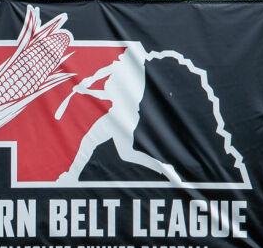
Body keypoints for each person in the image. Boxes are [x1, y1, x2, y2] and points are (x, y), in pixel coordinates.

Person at [58, 43, 183, 184]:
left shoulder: (135, 77)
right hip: (115, 114)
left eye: (124, 55)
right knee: (126, 153)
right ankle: (164, 168)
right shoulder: (118, 68)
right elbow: (102, 74)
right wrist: (87, 82)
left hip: (125, 117)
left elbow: (111, 96)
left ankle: (71, 176)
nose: (120, 55)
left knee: (90, 142)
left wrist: (86, 91)